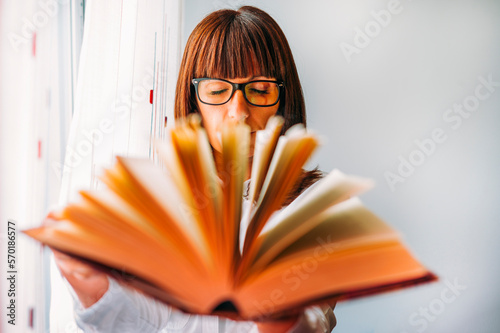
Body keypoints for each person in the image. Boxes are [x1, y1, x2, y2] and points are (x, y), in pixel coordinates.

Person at [52, 6, 337, 333]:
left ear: (283, 99)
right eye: (217, 91)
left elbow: (312, 317)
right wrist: (92, 285)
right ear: (193, 101)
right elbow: (140, 320)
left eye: (259, 90)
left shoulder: (318, 204)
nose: (238, 111)